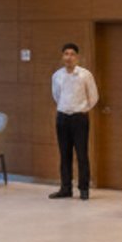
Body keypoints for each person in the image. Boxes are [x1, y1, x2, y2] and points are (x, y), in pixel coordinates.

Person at [50, 42, 98, 200]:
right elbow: (56, 96)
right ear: (62, 57)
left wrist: (82, 109)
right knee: (64, 155)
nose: (69, 57)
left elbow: (93, 97)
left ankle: (84, 189)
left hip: (80, 117)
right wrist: (65, 108)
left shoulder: (85, 75)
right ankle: (65, 188)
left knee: (82, 154)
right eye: (66, 54)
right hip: (62, 117)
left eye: (72, 54)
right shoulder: (57, 75)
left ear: (77, 57)